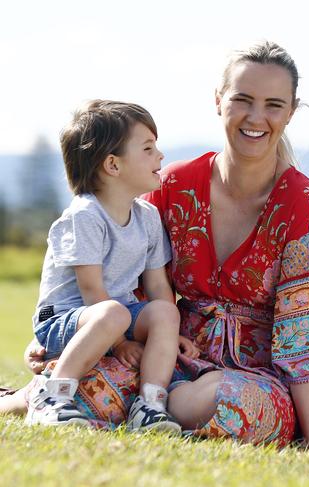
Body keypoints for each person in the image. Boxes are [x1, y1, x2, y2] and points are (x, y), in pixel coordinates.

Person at [7, 41, 309, 451]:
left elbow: (307, 330)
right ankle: (30, 401)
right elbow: (117, 284)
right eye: (242, 99)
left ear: (291, 112)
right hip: (166, 354)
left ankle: (150, 411)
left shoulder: (301, 202)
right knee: (90, 387)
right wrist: (65, 337)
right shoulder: (172, 184)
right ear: (219, 101)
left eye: (274, 104)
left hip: (255, 377)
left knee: (224, 402)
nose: (256, 117)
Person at [23, 100, 196, 433]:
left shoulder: (147, 217)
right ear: (113, 165)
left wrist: (171, 332)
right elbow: (92, 292)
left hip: (114, 312)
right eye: (148, 149)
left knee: (164, 311)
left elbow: (159, 286)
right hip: (64, 317)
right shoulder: (85, 216)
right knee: (112, 311)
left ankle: (150, 405)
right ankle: (51, 398)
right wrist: (120, 344)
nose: (160, 156)